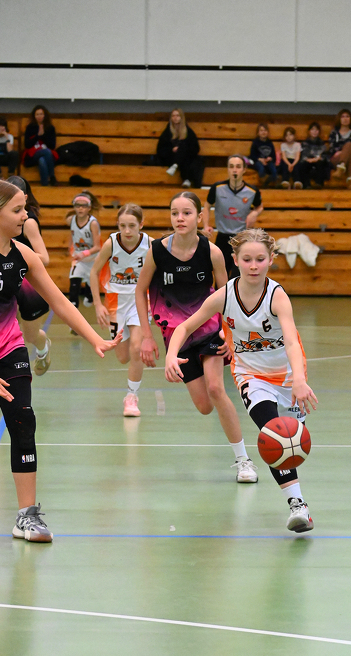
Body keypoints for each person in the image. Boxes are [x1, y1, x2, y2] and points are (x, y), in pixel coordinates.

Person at [0, 179, 121, 542]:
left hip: (8, 349)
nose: (25, 216)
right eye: (17, 210)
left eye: (25, 208)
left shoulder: (23, 255)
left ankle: (27, 516)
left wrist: (94, 338)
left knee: (23, 423)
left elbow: (59, 301)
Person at [165, 228, 318, 533]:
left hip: (289, 376)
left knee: (291, 442)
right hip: (251, 376)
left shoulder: (277, 295)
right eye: (247, 259)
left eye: (260, 259)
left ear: (271, 260)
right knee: (273, 434)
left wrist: (299, 380)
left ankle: (297, 501)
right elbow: (183, 327)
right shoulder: (224, 296)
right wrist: (171, 354)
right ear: (234, 260)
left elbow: (291, 341)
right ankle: (298, 505)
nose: (253, 265)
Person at [136, 191, 258, 483]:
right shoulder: (157, 251)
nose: (180, 218)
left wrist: (230, 333)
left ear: (200, 217)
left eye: (187, 213)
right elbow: (140, 291)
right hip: (178, 336)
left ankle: (244, 460)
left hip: (210, 329)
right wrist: (146, 336)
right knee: (204, 407)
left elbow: (228, 295)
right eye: (175, 213)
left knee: (216, 388)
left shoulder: (212, 252)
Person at [90, 204, 151, 417]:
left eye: (132, 226)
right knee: (123, 356)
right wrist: (98, 304)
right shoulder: (111, 243)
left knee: (137, 348)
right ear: (117, 225)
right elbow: (94, 272)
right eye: (122, 225)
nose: (127, 230)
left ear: (141, 225)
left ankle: (131, 397)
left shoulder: (150, 245)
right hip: (116, 302)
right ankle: (131, 392)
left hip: (140, 299)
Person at [7, 176, 51, 376]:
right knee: (3, 330)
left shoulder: (29, 222)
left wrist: (16, 257)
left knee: (31, 335)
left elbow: (44, 258)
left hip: (29, 283)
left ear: (24, 197)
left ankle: (43, 348)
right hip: (6, 281)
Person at [202, 155, 263, 278]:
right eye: (231, 166)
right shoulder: (217, 188)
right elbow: (207, 206)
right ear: (228, 169)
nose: (235, 170)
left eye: (238, 167)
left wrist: (255, 213)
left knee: (237, 276)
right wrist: (206, 225)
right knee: (220, 275)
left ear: (244, 170)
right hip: (222, 237)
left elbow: (260, 206)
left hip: (241, 239)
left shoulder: (252, 191)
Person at [66, 190, 101, 312]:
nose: (80, 208)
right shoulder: (71, 220)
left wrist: (84, 253)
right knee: (73, 283)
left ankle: (89, 294)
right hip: (79, 259)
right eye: (78, 205)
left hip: (92, 259)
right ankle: (73, 312)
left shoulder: (93, 223)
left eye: (84, 206)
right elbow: (73, 234)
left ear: (89, 208)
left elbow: (97, 247)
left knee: (89, 295)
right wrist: (70, 247)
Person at [156, 109, 204, 189]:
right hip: (171, 157)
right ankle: (186, 179)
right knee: (183, 153)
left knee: (183, 147)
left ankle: (176, 165)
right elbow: (161, 149)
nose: (175, 118)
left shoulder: (188, 132)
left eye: (177, 116)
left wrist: (182, 149)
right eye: (173, 116)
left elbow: (195, 148)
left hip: (186, 158)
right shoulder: (167, 132)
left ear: (181, 117)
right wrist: (172, 150)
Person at [22, 105, 58, 187]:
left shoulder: (50, 128)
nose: (39, 116)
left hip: (47, 155)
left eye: (41, 114)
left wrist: (43, 136)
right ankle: (52, 176)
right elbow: (27, 145)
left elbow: (52, 146)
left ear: (45, 115)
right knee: (46, 152)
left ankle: (44, 183)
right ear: (34, 116)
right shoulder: (30, 128)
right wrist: (38, 136)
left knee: (42, 160)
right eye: (37, 114)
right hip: (33, 154)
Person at [327, 109, 351, 190]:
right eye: (343, 117)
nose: (345, 119)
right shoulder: (334, 132)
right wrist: (342, 152)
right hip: (337, 157)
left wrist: (345, 152)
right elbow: (332, 148)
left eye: (347, 116)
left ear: (350, 119)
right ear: (339, 119)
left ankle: (341, 167)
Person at [299, 122, 330, 189]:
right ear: (309, 131)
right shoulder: (305, 143)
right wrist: (309, 159)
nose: (314, 132)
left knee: (321, 164)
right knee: (303, 164)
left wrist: (317, 159)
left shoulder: (322, 143)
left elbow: (324, 155)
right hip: (308, 161)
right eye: (312, 129)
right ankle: (307, 185)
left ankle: (318, 184)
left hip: (318, 160)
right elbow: (303, 155)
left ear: (319, 132)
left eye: (316, 130)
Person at [249, 123, 278, 188]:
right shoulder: (255, 142)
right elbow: (252, 156)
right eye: (261, 130)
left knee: (274, 171)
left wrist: (270, 158)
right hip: (258, 161)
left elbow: (273, 156)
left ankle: (267, 182)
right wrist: (260, 159)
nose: (263, 132)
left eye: (265, 130)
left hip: (268, 162)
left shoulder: (270, 143)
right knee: (261, 169)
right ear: (258, 133)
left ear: (267, 132)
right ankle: (263, 183)